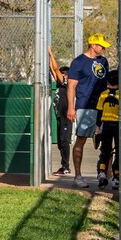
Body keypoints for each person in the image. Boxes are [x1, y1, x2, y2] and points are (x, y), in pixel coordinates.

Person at [66, 33, 110, 188]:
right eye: (101, 45)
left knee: (107, 140)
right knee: (81, 139)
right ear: (93, 45)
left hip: (103, 106)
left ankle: (107, 175)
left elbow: (105, 84)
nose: (104, 48)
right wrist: (71, 107)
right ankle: (78, 175)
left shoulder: (103, 61)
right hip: (85, 106)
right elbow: (71, 86)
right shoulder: (79, 62)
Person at [48, 46, 72, 175]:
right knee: (60, 143)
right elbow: (53, 70)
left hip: (65, 115)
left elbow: (56, 70)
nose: (59, 75)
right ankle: (64, 166)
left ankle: (66, 167)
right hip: (60, 115)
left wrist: (51, 53)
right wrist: (49, 61)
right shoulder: (60, 83)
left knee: (64, 142)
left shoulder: (66, 82)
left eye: (62, 73)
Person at [95, 69, 119, 189]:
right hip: (119, 125)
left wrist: (97, 127)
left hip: (106, 125)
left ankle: (102, 172)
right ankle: (116, 175)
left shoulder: (104, 94)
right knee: (120, 151)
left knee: (105, 151)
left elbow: (99, 112)